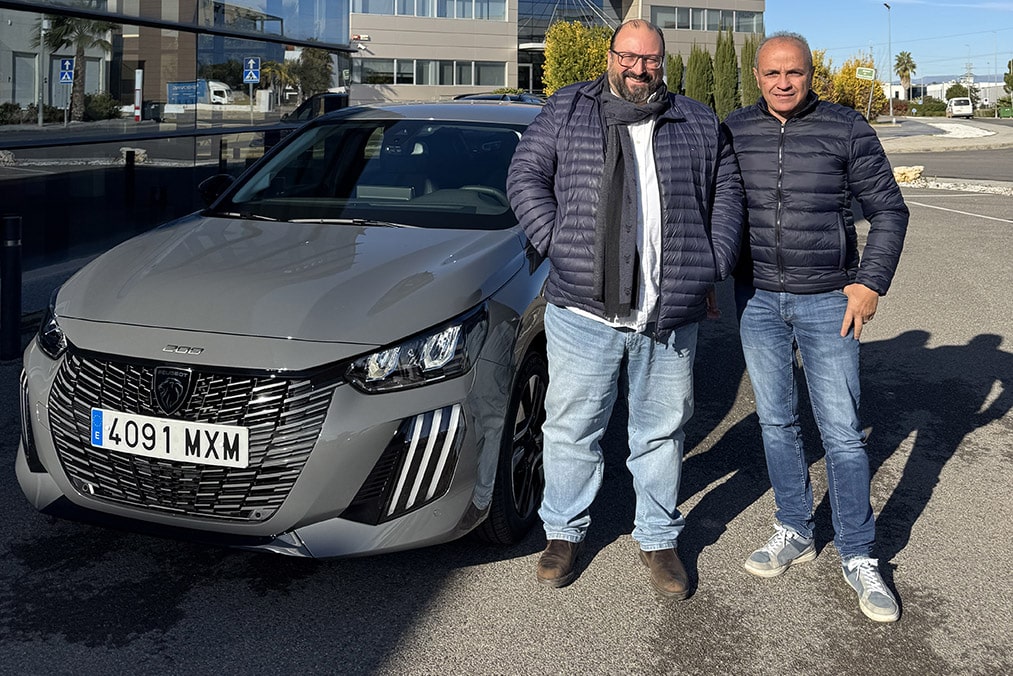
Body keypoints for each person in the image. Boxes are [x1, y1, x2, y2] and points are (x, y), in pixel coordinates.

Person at [506, 19, 744, 598]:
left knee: (661, 430)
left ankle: (659, 538)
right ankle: (563, 533)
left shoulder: (696, 120)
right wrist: (560, 243)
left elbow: (727, 192)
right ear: (611, 56)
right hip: (583, 311)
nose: (640, 69)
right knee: (571, 427)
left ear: (663, 62)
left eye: (652, 60)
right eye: (629, 57)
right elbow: (525, 176)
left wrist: (711, 264)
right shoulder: (568, 109)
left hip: (667, 311)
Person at [723, 32, 909, 622]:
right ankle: (794, 527)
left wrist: (870, 282)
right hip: (756, 300)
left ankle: (858, 553)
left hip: (830, 299)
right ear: (758, 76)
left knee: (842, 430)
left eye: (795, 73)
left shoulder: (846, 128)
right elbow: (708, 206)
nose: (784, 83)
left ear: (810, 74)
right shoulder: (734, 130)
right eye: (774, 73)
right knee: (777, 421)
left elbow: (889, 209)